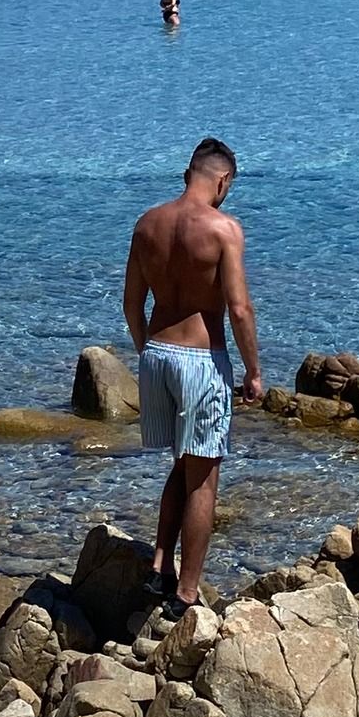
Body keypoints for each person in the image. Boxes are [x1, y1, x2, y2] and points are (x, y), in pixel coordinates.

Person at [122, 137, 263, 610]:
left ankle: (160, 565)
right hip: (201, 361)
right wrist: (254, 371)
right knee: (204, 477)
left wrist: (147, 351)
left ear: (189, 173)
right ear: (222, 180)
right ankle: (186, 591)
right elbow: (240, 310)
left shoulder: (147, 224)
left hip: (157, 353)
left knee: (182, 463)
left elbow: (131, 304)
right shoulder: (224, 229)